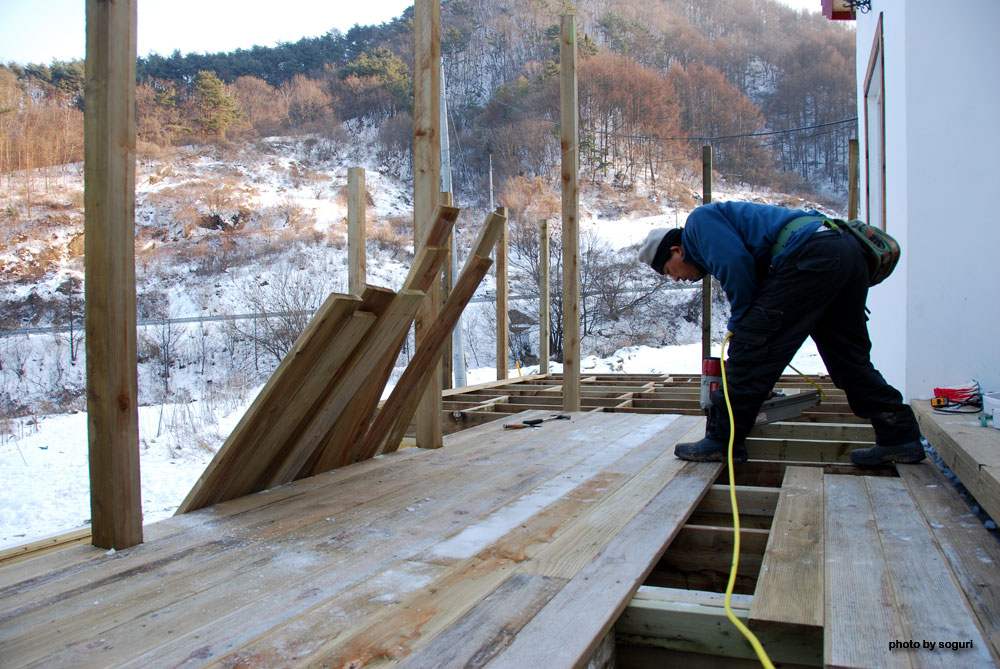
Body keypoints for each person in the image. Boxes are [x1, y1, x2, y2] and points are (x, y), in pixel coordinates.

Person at [638, 201, 924, 466]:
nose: (676, 278)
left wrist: (742, 329)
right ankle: (899, 436)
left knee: (750, 350)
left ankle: (722, 441)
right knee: (849, 361)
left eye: (669, 270)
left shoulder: (698, 223)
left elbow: (736, 266)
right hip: (844, 253)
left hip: (814, 255)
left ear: (676, 250)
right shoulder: (727, 232)